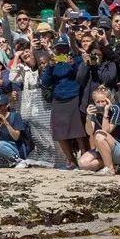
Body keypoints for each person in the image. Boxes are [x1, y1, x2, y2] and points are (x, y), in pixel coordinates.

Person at [40, 35, 89, 169]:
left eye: (64, 48)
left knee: (77, 130)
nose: (61, 51)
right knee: (59, 131)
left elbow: (81, 76)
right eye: (59, 48)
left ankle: (85, 157)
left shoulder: (76, 59)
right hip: (58, 98)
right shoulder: (53, 62)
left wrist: (72, 65)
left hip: (73, 96)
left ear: (68, 48)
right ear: (55, 49)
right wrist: (49, 67)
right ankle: (70, 159)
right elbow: (45, 82)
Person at [78, 85, 120, 175]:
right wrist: (88, 117)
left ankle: (110, 169)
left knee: (99, 134)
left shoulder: (115, 109)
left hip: (119, 150)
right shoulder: (94, 112)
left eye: (103, 101)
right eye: (98, 102)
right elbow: (89, 132)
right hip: (102, 150)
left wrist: (105, 112)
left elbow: (106, 131)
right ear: (94, 102)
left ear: (108, 100)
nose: (101, 104)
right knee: (83, 164)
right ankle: (109, 163)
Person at [0, 92, 29, 167]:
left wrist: (6, 123)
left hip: (16, 147)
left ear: (7, 105)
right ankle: (6, 162)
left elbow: (16, 137)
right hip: (3, 147)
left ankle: (18, 161)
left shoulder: (15, 116)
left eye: (1, 106)